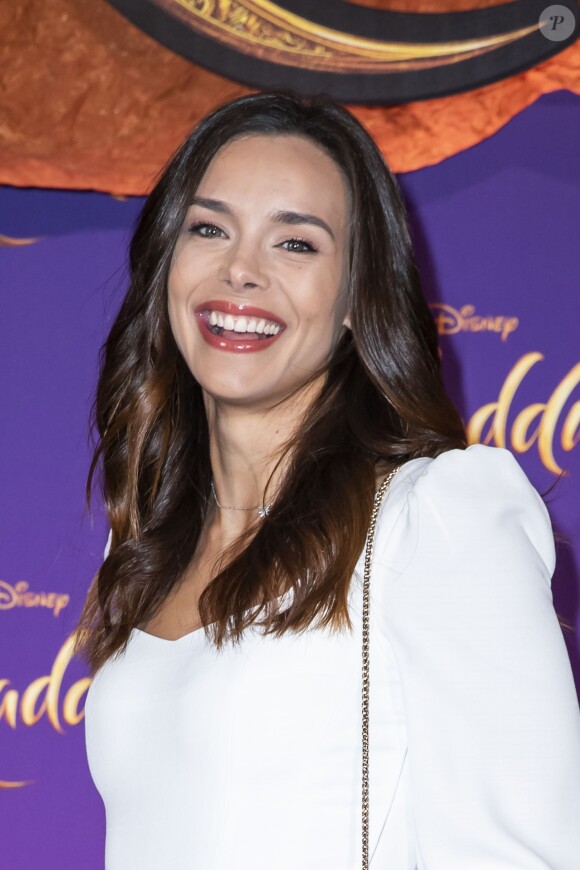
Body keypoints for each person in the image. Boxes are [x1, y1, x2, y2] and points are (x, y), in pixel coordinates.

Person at [76, 90, 580, 869]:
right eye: (209, 228)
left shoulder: (433, 516)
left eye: (297, 245)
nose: (240, 270)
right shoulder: (146, 545)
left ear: (356, 298)